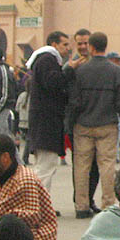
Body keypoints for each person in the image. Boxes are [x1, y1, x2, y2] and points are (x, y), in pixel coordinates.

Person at [68, 32, 120, 218]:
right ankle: (108, 204)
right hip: (107, 124)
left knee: (81, 167)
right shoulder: (115, 71)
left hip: (83, 124)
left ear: (91, 47)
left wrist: (70, 124)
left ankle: (81, 206)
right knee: (107, 166)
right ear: (105, 46)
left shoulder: (81, 71)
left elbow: (74, 101)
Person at [26, 31, 82, 200]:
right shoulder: (47, 59)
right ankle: (38, 205)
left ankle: (41, 203)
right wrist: (69, 70)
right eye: (64, 44)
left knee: (44, 166)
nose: (67, 48)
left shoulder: (45, 60)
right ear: (54, 44)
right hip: (46, 122)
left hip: (44, 121)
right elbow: (53, 83)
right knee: (45, 167)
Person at [64, 29, 101, 216]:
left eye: (86, 43)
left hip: (97, 120)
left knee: (95, 165)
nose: (83, 46)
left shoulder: (98, 64)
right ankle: (80, 200)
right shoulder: (71, 66)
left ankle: (90, 197)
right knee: (80, 164)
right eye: (80, 43)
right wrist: (69, 69)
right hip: (78, 122)